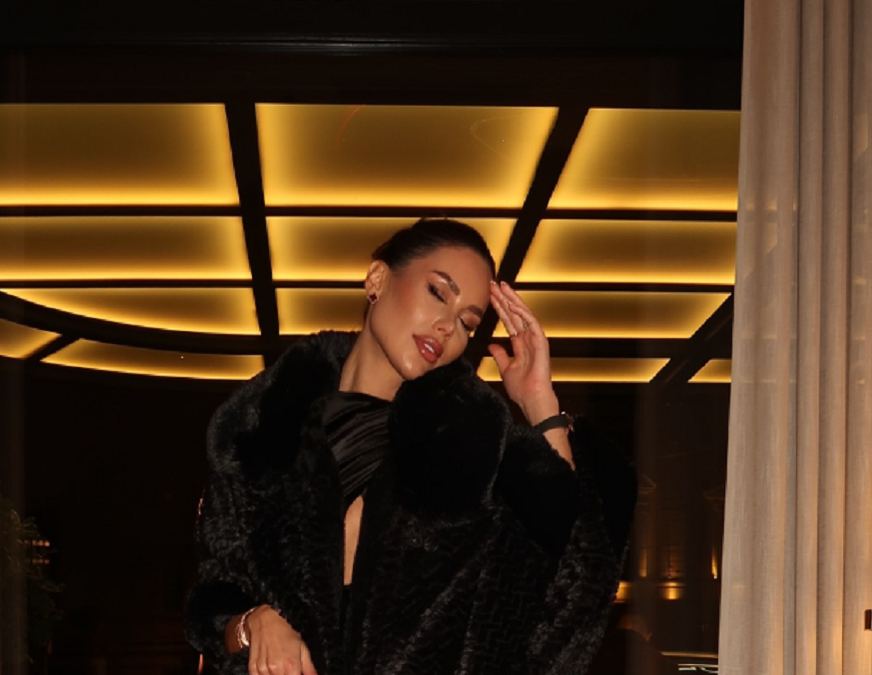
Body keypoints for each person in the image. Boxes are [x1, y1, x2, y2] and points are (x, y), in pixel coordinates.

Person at [185, 219, 636, 675]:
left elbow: (569, 589)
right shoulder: (258, 436)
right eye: (438, 293)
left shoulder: (472, 460)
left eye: (467, 322)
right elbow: (211, 605)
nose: (447, 327)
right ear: (378, 279)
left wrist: (541, 404)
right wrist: (253, 624)